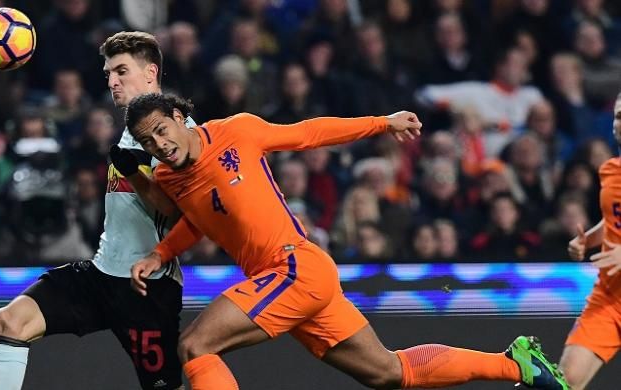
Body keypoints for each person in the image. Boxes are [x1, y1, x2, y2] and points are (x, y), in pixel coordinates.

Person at [123, 93, 569, 390]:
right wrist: (160, 253)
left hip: (293, 268)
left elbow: (309, 132)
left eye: (163, 130)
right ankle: (516, 364)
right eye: (149, 141)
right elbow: (203, 218)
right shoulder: (168, 177)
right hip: (287, 282)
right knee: (390, 373)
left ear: (181, 118)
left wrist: (382, 123)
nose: (160, 144)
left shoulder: (236, 131)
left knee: (195, 347)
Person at [0, 32, 187, 390]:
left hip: (147, 289)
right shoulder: (128, 132)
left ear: (151, 73)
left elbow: (179, 216)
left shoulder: (176, 132)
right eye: (108, 73)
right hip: (102, 274)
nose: (112, 81)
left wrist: (135, 175)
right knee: (12, 320)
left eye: (121, 71)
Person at [562, 91, 621, 389]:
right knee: (566, 380)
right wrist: (588, 241)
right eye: (618, 116)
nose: (620, 124)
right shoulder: (610, 170)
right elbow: (613, 220)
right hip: (610, 299)